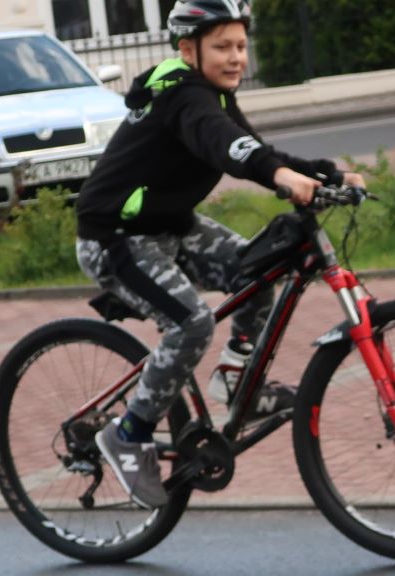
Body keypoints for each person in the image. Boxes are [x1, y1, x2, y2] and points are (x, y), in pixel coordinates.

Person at [74, 0, 364, 509]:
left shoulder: (215, 96)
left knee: (261, 265)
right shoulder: (184, 96)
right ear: (189, 50)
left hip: (172, 229)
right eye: (223, 47)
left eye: (241, 46)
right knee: (192, 325)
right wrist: (279, 178)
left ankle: (233, 379)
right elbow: (227, 148)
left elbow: (251, 145)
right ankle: (128, 432)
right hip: (115, 239)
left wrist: (324, 173)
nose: (236, 58)